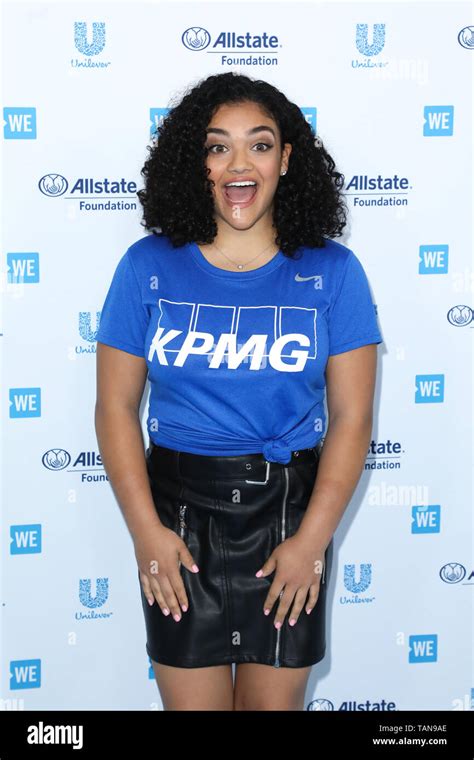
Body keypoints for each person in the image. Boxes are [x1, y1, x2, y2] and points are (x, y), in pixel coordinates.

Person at [94, 71, 383, 711]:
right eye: (217, 146)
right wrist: (146, 532)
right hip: (177, 517)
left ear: (286, 158)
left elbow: (353, 418)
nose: (238, 163)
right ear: (196, 164)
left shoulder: (334, 271)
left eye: (259, 143)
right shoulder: (147, 265)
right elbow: (115, 407)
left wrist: (311, 542)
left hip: (289, 517)